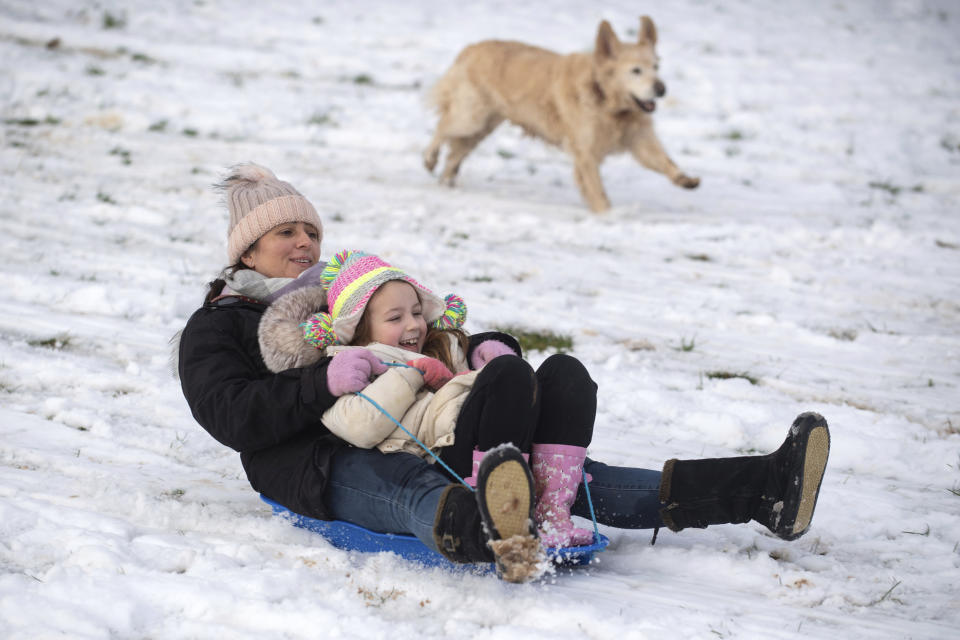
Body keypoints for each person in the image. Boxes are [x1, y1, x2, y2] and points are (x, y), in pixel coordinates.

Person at [177, 162, 831, 583]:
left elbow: (421, 329)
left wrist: (488, 347)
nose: (303, 244)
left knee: (566, 477)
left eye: (309, 231)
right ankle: (485, 531)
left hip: (424, 421)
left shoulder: (343, 290)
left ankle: (762, 488)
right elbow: (232, 416)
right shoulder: (219, 325)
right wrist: (322, 381)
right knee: (411, 485)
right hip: (317, 460)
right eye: (284, 233)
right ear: (246, 249)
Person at [256, 248, 596, 549]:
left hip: (495, 441)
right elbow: (359, 428)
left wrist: (483, 360)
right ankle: (498, 510)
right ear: (359, 327)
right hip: (445, 459)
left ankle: (551, 513)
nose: (414, 324)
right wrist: (412, 373)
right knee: (510, 374)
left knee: (565, 372)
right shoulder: (351, 367)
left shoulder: (442, 348)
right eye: (395, 317)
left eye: (417, 312)